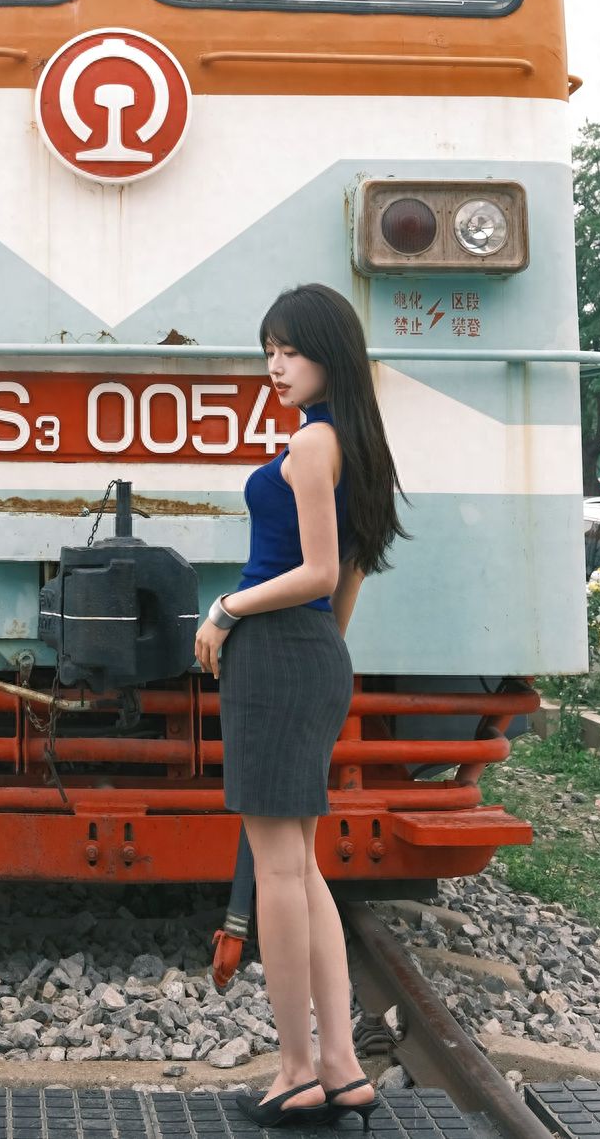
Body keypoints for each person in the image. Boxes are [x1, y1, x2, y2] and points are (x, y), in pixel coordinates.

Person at [194, 283, 409, 1129]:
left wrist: (226, 609)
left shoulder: (313, 443)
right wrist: (324, 649)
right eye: (269, 349)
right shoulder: (358, 445)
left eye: (290, 348)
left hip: (280, 654)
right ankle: (343, 1065)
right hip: (317, 654)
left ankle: (294, 1069)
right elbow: (347, 580)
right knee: (305, 866)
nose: (275, 365)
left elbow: (318, 571)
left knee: (280, 869)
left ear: (330, 352)